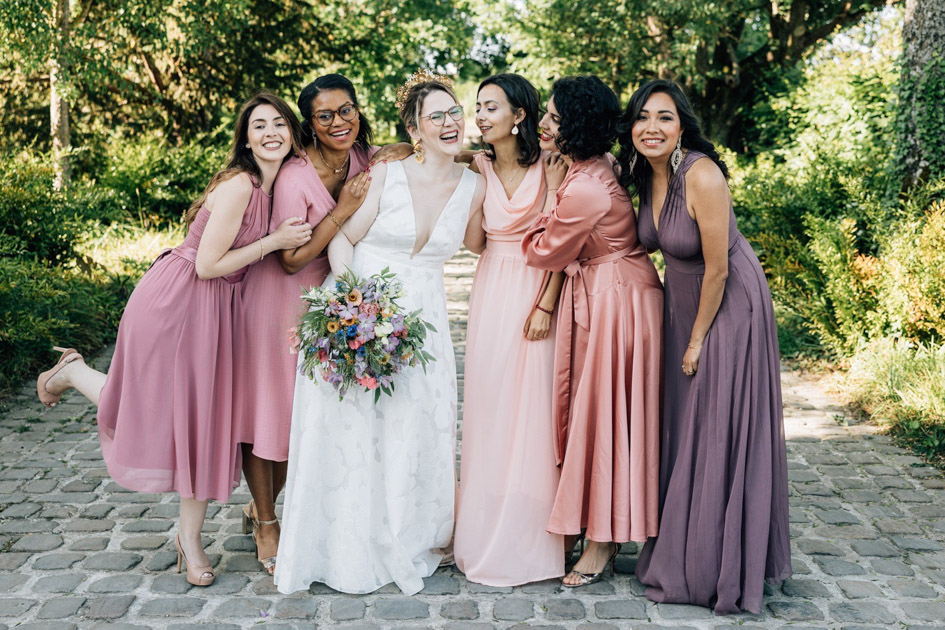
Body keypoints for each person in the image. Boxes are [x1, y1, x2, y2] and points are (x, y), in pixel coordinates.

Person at [35, 93, 312, 587]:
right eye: (259, 126)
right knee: (151, 408)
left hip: (217, 308)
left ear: (292, 132)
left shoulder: (278, 186)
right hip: (180, 301)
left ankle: (189, 538)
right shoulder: (240, 186)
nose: (271, 132)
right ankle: (73, 372)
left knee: (201, 423)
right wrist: (273, 242)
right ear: (246, 140)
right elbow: (207, 265)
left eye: (279, 124)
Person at [274, 71, 486, 595]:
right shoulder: (386, 175)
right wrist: (354, 306)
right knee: (351, 429)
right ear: (414, 129)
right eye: (435, 116)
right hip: (359, 307)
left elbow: (485, 242)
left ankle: (409, 534)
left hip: (424, 322)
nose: (449, 122)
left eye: (454, 112)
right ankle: (341, 545)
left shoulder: (474, 186)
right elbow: (343, 239)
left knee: (412, 425)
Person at [618, 79, 791, 614]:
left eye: (664, 117)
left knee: (714, 423)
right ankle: (689, 543)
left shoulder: (703, 174)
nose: (652, 127)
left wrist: (696, 340)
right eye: (643, 116)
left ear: (682, 127)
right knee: (686, 422)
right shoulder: (643, 172)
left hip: (727, 305)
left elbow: (718, 269)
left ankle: (714, 564)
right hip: (682, 304)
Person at [234, 74, 380, 576]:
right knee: (268, 414)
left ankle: (266, 505)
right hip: (276, 301)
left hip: (323, 304)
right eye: (325, 115)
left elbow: (404, 152)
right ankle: (266, 523)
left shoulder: (362, 157)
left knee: (303, 415)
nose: (339, 121)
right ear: (310, 124)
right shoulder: (297, 177)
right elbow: (292, 259)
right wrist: (342, 210)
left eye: (347, 110)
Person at [521, 75, 663, 588]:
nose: (543, 123)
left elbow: (542, 250)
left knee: (607, 416)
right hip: (618, 290)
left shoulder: (582, 187)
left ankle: (603, 539)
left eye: (554, 118)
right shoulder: (597, 166)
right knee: (604, 412)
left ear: (577, 126)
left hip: (615, 299)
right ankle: (596, 524)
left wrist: (549, 193)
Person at [453, 73, 565, 586]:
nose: (480, 115)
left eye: (491, 107)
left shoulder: (551, 164)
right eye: (478, 106)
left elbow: (561, 242)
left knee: (535, 410)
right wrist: (471, 198)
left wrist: (545, 305)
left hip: (537, 288)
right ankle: (483, 527)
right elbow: (476, 243)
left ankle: (534, 533)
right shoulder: (478, 167)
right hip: (492, 287)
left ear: (519, 115)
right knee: (491, 406)